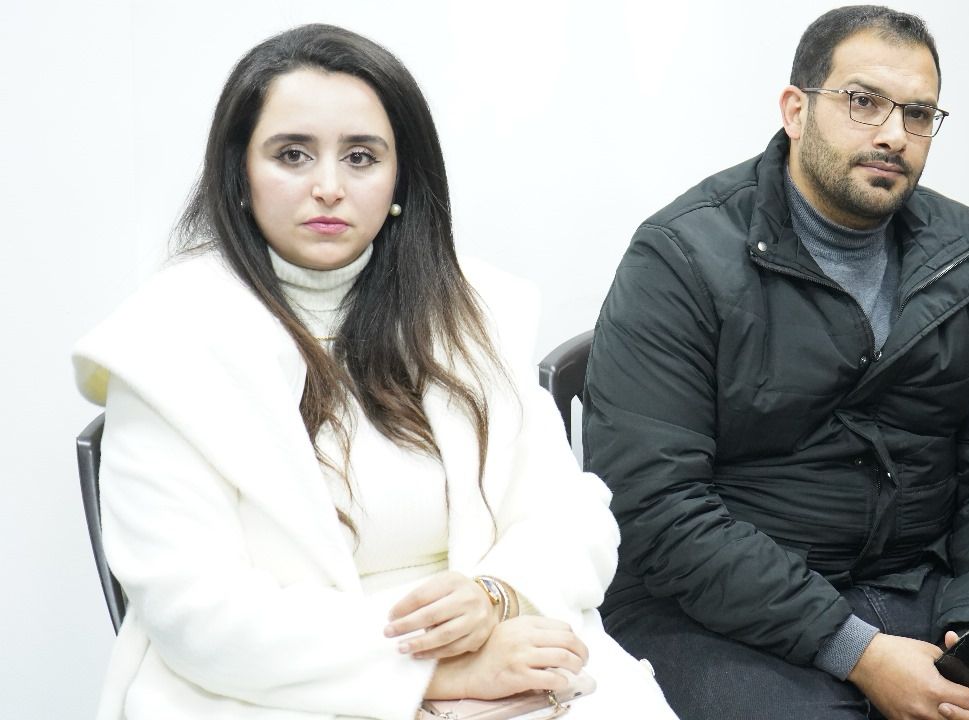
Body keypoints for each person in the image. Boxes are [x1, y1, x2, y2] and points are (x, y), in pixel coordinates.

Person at [72, 24, 674, 720]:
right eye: (292, 155)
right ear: (239, 174)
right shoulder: (165, 342)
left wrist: (497, 596)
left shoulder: (472, 310)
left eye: (360, 157)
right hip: (265, 688)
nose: (328, 187)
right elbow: (197, 615)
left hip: (502, 651)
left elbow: (571, 517)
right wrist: (436, 671)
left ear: (399, 179)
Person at [582, 5, 969, 720]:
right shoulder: (680, 256)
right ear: (795, 110)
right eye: (863, 101)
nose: (893, 134)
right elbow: (657, 506)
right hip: (715, 610)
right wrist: (858, 651)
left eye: (918, 114)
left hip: (924, 588)